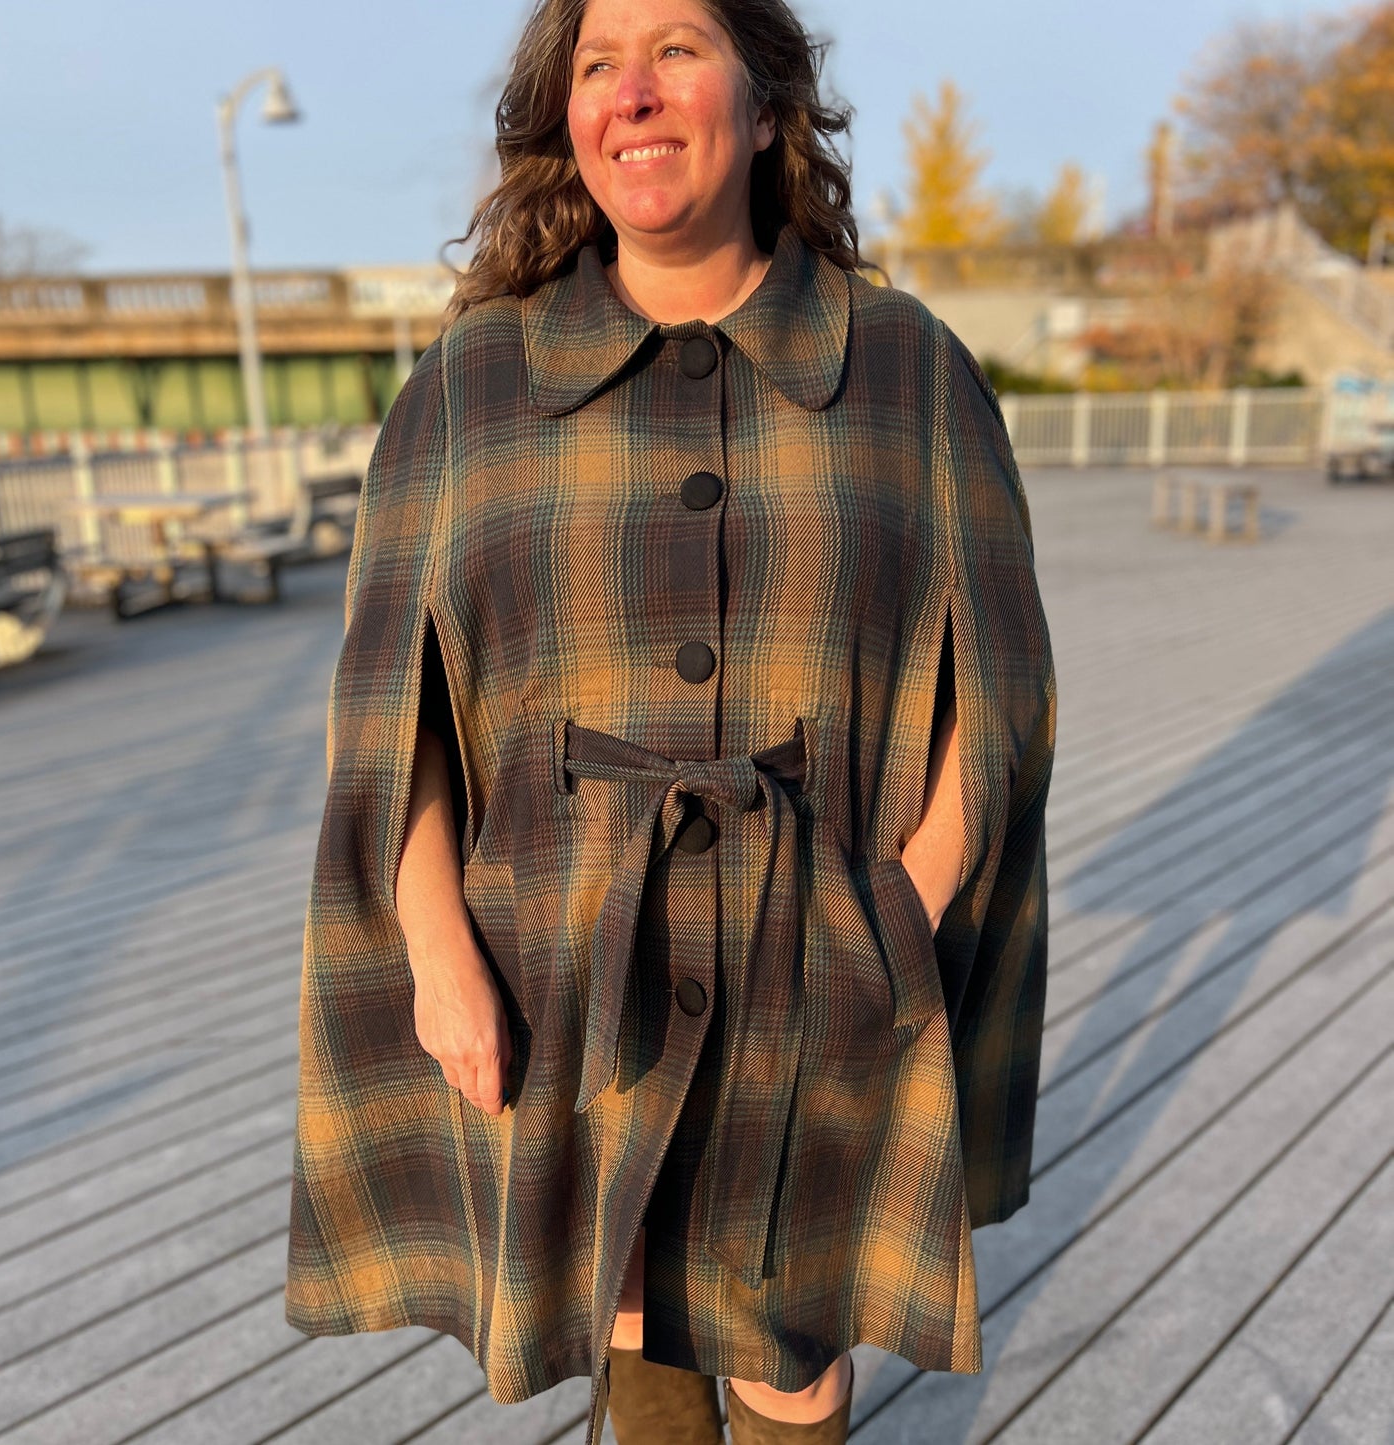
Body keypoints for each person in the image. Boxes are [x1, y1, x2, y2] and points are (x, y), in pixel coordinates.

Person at [284, 1, 1056, 1443]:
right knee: (630, 1309)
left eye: (677, 50)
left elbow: (998, 688)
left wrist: (901, 917)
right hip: (565, 962)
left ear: (766, 109)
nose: (633, 92)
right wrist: (438, 955)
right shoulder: (470, 387)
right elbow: (390, 713)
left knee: (789, 1351)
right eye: (595, 66)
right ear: (567, 126)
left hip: (816, 956)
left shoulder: (903, 368)